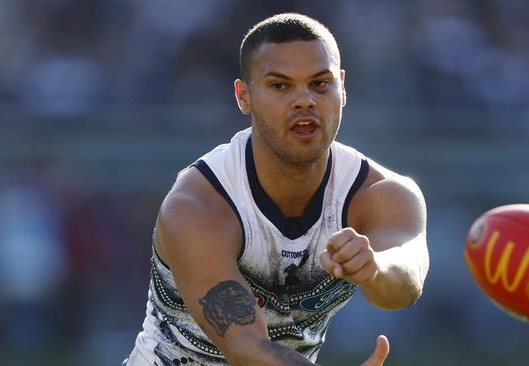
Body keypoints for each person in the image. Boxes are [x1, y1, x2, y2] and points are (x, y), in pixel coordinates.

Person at [124, 12, 429, 366]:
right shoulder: (198, 205)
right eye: (280, 86)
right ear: (244, 97)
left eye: (320, 83)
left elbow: (406, 283)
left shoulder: (384, 193)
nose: (304, 100)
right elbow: (246, 349)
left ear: (342, 88)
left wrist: (375, 266)